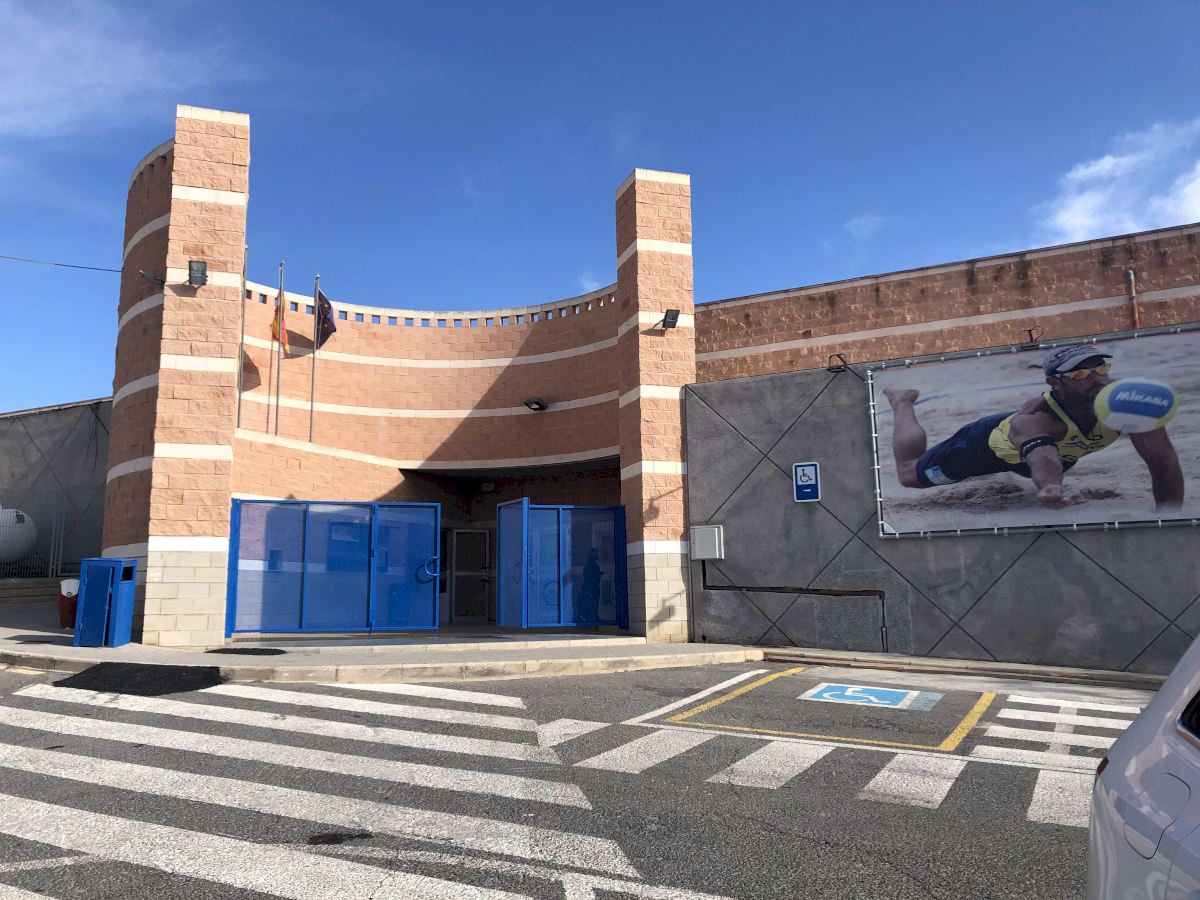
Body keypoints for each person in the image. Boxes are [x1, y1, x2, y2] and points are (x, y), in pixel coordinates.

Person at [883, 344, 1184, 510]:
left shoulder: (1128, 402)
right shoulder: (1036, 417)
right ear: (1054, 382)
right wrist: (1052, 486)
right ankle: (903, 401)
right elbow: (1042, 459)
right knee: (909, 475)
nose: (1096, 379)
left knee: (1051, 457)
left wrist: (1170, 520)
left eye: (1100, 369)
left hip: (1061, 452)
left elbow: (1163, 462)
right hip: (986, 447)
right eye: (1080, 374)